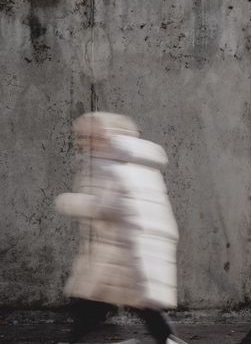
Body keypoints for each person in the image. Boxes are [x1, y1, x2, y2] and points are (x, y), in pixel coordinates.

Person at [55, 112, 187, 344]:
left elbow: (112, 206)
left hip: (126, 249)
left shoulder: (112, 163)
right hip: (133, 246)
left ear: (99, 135)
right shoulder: (136, 160)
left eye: (84, 137)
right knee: (116, 305)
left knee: (107, 304)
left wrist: (72, 203)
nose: (81, 143)